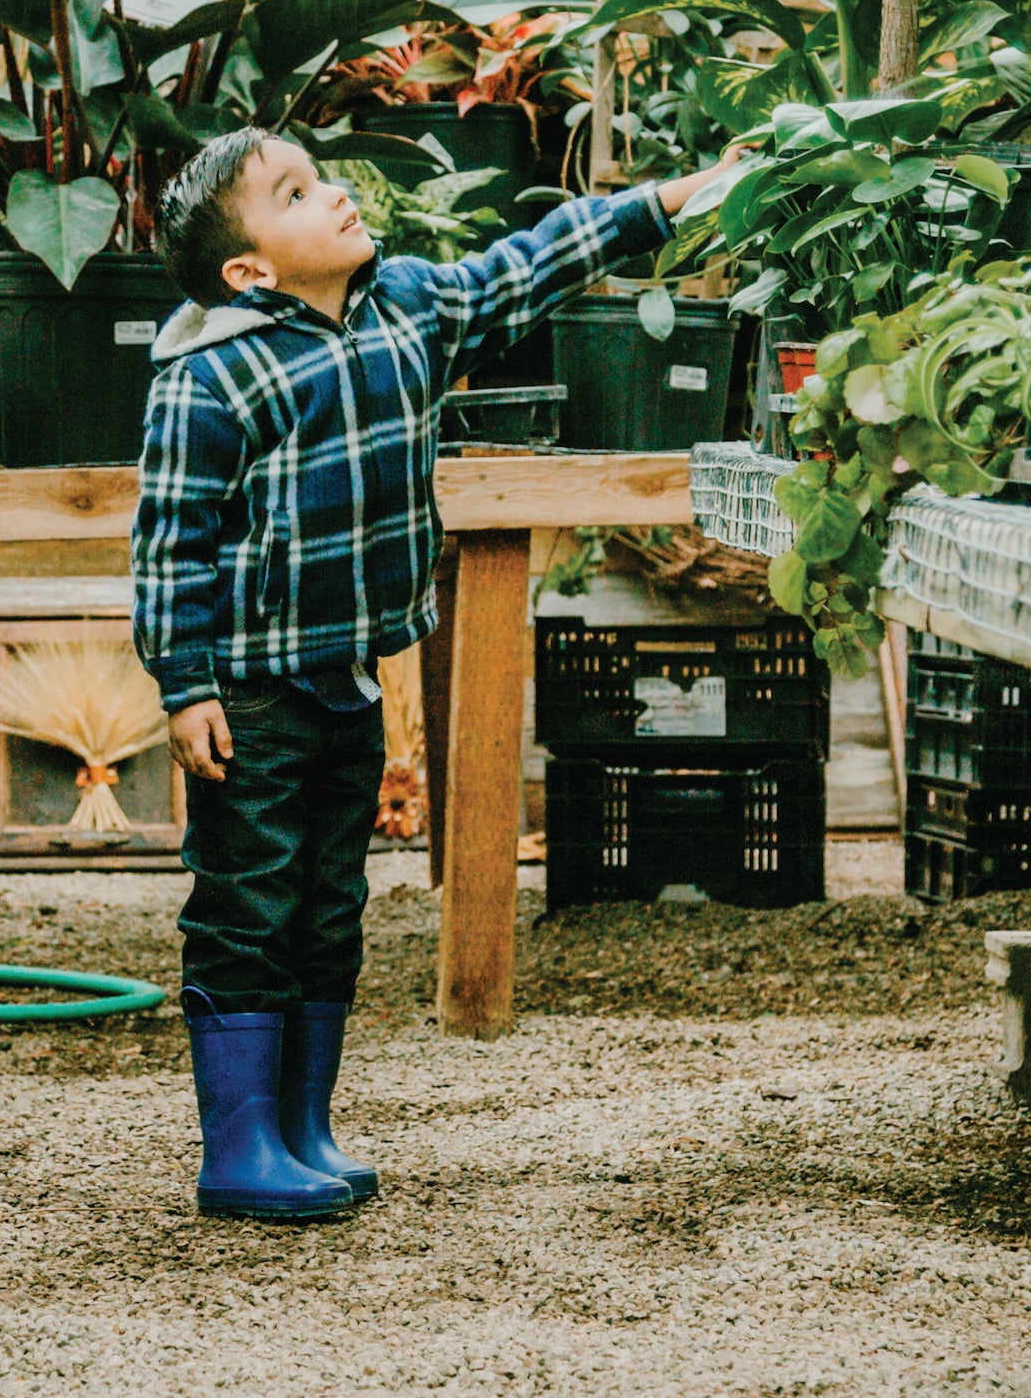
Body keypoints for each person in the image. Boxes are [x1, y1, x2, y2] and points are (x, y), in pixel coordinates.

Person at [132, 127, 744, 1219]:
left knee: (327, 904)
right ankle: (237, 1145)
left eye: (321, 175)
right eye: (296, 191)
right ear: (249, 268)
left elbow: (534, 260)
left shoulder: (406, 308)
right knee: (245, 905)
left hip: (350, 680)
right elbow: (168, 542)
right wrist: (185, 687)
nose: (335, 194)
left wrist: (677, 195)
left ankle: (302, 1124)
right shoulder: (209, 374)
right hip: (250, 696)